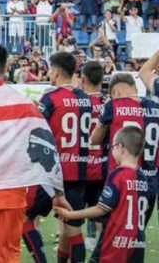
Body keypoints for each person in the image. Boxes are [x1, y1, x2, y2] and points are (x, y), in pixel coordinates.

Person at [0, 44, 65, 263]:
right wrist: (58, 191)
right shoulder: (23, 102)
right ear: (6, 67)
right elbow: (47, 146)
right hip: (12, 193)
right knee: (9, 254)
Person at [56, 126, 149, 262]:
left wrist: (70, 215)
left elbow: (101, 209)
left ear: (121, 147)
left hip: (115, 244)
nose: (112, 151)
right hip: (137, 244)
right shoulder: (143, 177)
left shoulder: (118, 175)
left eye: (113, 147)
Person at [39, 51, 93, 263]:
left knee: (26, 218)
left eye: (50, 68)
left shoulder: (50, 98)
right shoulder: (85, 99)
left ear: (56, 71)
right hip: (80, 169)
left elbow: (39, 131)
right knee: (72, 227)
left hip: (55, 172)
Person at [91, 73, 159, 234]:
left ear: (116, 93)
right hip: (150, 181)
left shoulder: (113, 106)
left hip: (122, 179)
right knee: (136, 235)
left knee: (111, 238)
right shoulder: (156, 108)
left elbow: (95, 139)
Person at [80, 61, 108, 250]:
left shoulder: (78, 101)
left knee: (72, 209)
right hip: (103, 163)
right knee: (102, 206)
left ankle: (87, 232)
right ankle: (101, 243)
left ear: (83, 79)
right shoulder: (108, 103)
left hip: (80, 163)